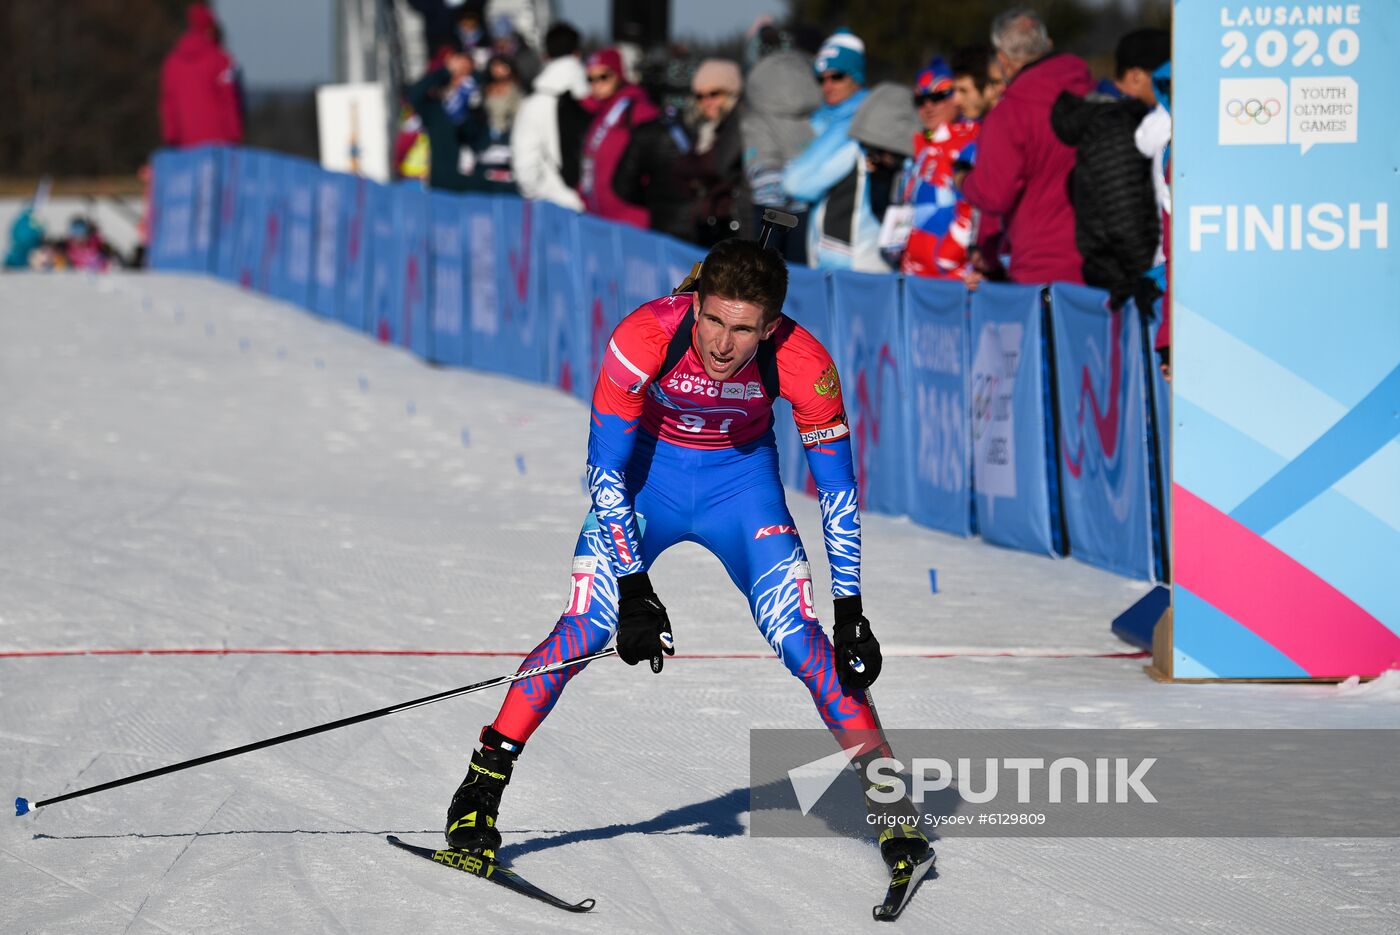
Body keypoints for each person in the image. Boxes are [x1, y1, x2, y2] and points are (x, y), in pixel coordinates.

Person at [443, 238, 929, 872]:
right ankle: (480, 790)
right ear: (695, 303)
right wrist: (633, 587)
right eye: (713, 321)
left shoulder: (806, 362)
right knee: (586, 626)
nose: (722, 346)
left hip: (742, 489)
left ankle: (890, 807)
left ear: (772, 327)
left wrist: (851, 609)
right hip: (649, 483)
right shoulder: (643, 336)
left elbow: (837, 491)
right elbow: (606, 474)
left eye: (744, 330)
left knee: (805, 642)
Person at [958, 8, 1092, 285]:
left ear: (1004, 61)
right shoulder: (1091, 91)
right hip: (1100, 257)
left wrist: (963, 180)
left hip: (1041, 264)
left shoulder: (1011, 113)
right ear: (1049, 46)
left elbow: (993, 194)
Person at [1050, 27, 1168, 308]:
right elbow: (1124, 215)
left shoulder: (1127, 118)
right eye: (1165, 77)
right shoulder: (1117, 126)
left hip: (1128, 279)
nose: (1172, 86)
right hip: (1130, 285)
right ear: (1137, 75)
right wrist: (1147, 277)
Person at [781, 29, 872, 268]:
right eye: (821, 78)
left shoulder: (861, 118)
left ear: (856, 76)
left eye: (837, 76)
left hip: (857, 257)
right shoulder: (823, 118)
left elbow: (796, 182)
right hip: (822, 250)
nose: (828, 85)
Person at [896, 62, 980, 280]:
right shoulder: (918, 144)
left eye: (938, 96)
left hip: (954, 277)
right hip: (913, 274)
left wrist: (949, 256)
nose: (929, 106)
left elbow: (974, 205)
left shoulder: (973, 140)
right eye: (921, 100)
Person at [740, 49, 820, 264]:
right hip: (812, 219)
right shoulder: (816, 116)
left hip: (772, 215)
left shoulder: (755, 120)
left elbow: (766, 179)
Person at [511, 22, 590, 210]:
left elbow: (524, 166)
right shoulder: (595, 97)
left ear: (545, 56)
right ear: (578, 53)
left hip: (552, 208)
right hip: (595, 211)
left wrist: (539, 194)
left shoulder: (534, 103)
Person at [578, 49, 660, 228]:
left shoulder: (635, 108)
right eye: (591, 79)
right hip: (598, 218)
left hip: (630, 218)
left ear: (618, 74)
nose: (597, 84)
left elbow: (654, 151)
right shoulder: (597, 112)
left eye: (604, 77)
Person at [675, 58, 751, 246]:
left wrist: (696, 172)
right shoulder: (704, 130)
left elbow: (713, 166)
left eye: (714, 94)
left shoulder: (739, 126)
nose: (706, 102)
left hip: (735, 225)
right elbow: (680, 171)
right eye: (700, 96)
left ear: (732, 92)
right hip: (709, 222)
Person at [159, 2, 243, 149]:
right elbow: (229, 100)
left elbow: (168, 103)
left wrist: (171, 137)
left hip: (185, 143)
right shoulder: (221, 60)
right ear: (210, 30)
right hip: (218, 144)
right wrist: (234, 135)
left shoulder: (171, 63)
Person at [406, 49, 487, 193]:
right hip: (438, 186)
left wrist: (468, 104)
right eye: (456, 72)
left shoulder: (476, 108)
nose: (460, 78)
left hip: (469, 188)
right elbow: (414, 94)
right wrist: (444, 71)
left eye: (465, 73)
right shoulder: (435, 108)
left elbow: (474, 135)